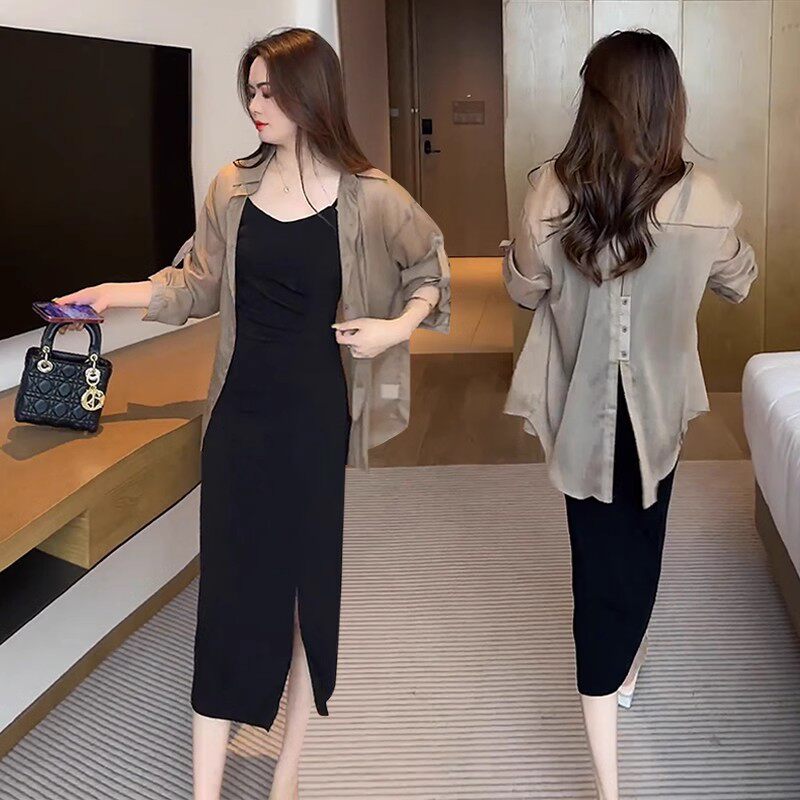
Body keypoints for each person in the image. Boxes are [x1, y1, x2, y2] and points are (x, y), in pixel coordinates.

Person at [53, 27, 450, 800]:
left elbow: (428, 264)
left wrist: (397, 326)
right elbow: (198, 285)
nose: (255, 104)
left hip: (315, 418)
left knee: (306, 598)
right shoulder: (231, 187)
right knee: (229, 602)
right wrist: (115, 293)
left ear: (311, 94)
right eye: (252, 90)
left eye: (271, 90)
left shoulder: (369, 194)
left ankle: (287, 771)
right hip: (237, 417)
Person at [501, 30, 757, 800]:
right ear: (669, 104)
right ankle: (615, 727)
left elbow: (524, 291)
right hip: (660, 412)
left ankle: (618, 683)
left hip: (583, 417)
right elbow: (739, 283)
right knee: (641, 548)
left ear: (596, 101)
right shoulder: (707, 200)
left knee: (602, 570)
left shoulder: (550, 192)